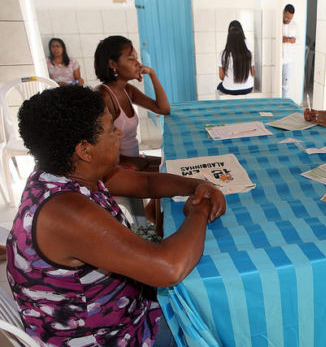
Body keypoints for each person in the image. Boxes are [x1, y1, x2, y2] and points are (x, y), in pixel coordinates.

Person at [6, 85, 226, 346]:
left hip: (119, 310)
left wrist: (197, 186)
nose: (119, 132)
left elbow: (144, 184)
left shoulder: (64, 173)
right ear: (84, 150)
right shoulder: (66, 212)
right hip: (110, 336)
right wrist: (199, 210)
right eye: (111, 129)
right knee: (216, 311)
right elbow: (169, 268)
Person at [94, 35, 169, 172]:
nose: (138, 64)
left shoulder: (128, 90)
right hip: (117, 168)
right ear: (113, 64)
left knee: (173, 163)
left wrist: (152, 74)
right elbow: (98, 148)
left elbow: (163, 109)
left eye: (136, 58)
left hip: (134, 160)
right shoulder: (104, 97)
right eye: (131, 59)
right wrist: (131, 161)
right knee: (172, 173)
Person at [217, 29, 255, 95]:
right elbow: (252, 73)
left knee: (219, 86)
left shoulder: (223, 54)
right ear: (242, 40)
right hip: (248, 88)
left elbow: (221, 77)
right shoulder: (249, 53)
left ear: (229, 40)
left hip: (229, 89)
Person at [282, 4, 297, 98]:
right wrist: (289, 39)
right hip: (279, 58)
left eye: (290, 18)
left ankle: (284, 102)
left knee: (286, 85)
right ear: (283, 12)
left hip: (289, 59)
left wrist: (287, 39)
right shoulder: (278, 24)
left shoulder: (294, 25)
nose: (288, 20)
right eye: (287, 17)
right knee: (277, 84)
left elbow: (296, 40)